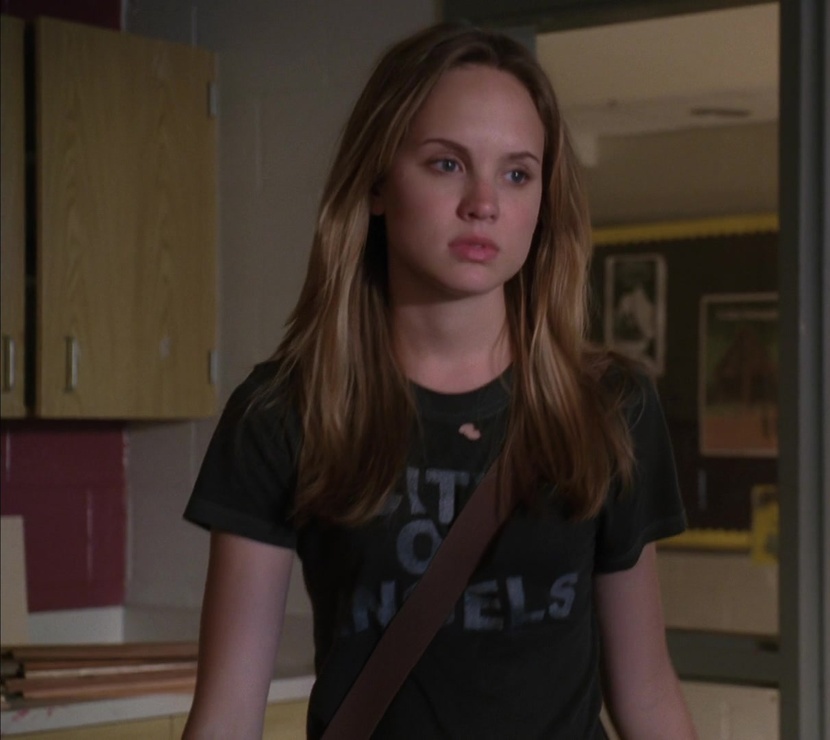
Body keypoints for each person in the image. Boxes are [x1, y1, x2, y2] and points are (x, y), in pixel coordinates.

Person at [181, 22, 695, 740]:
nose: (484, 202)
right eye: (447, 164)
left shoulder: (609, 408)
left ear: (544, 201)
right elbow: (228, 716)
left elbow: (647, 692)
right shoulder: (286, 412)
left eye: (517, 174)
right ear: (377, 184)